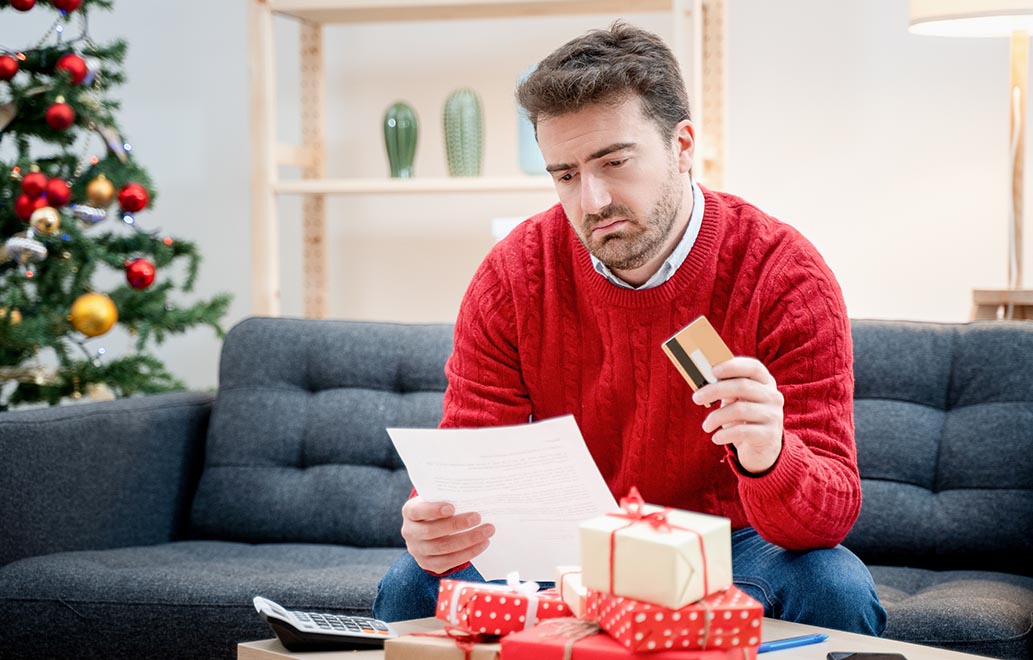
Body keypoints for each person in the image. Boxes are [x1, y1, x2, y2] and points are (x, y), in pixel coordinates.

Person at [373, 21, 887, 636]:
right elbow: (468, 458)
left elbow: (828, 520)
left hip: (730, 552)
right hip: (572, 553)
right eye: (564, 174)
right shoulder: (514, 274)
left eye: (613, 162)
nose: (591, 200)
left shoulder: (783, 274)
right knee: (410, 583)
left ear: (682, 145)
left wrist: (772, 456)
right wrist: (435, 524)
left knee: (833, 585)